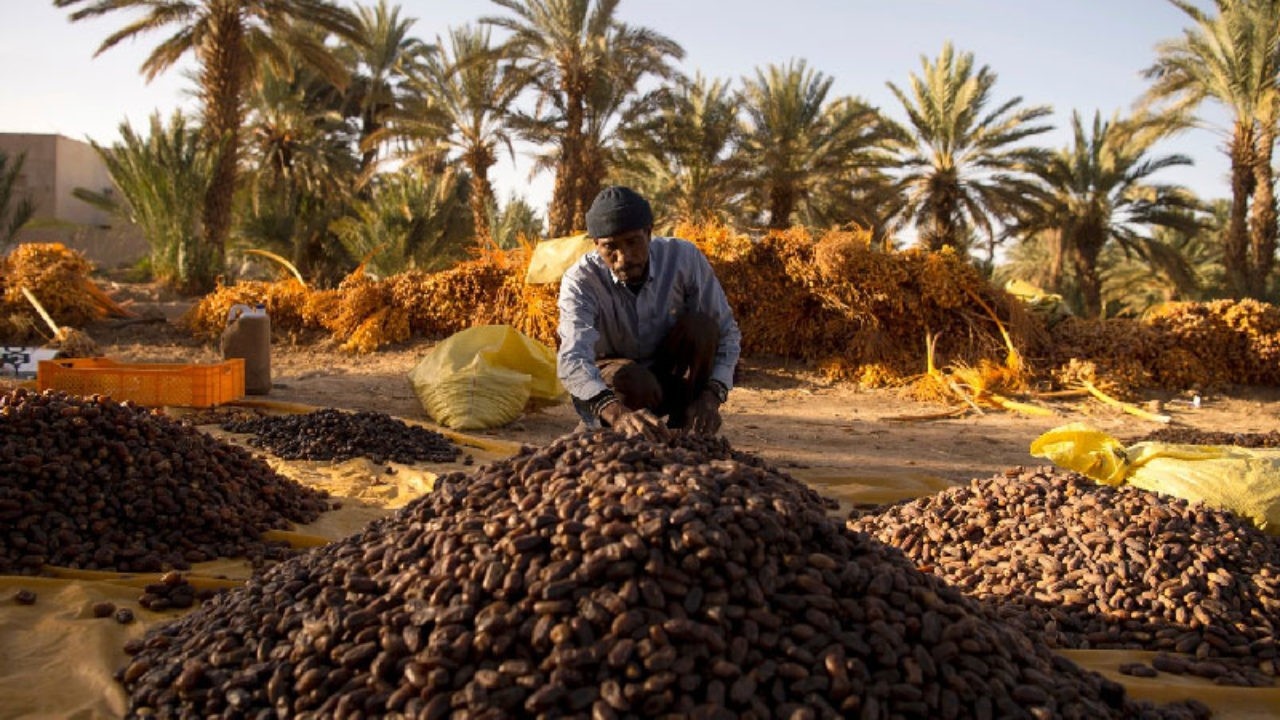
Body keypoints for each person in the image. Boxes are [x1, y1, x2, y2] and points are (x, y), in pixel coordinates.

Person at [557, 185, 741, 439]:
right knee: (633, 380)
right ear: (596, 245)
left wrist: (712, 395)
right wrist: (615, 412)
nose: (624, 257)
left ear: (649, 233)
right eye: (610, 247)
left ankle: (684, 429)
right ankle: (611, 430)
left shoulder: (683, 258)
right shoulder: (580, 281)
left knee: (701, 327)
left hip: (670, 376)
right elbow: (572, 358)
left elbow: (727, 333)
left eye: (633, 242)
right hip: (622, 386)